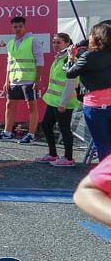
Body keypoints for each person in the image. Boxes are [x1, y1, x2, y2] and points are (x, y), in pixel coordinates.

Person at [0, 17, 42, 143]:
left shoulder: (33, 41)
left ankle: (31, 134)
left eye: (20, 26)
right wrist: (6, 80)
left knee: (32, 107)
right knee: (9, 105)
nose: (18, 29)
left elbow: (40, 61)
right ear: (12, 28)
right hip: (14, 80)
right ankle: (7, 132)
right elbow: (10, 63)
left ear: (24, 27)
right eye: (15, 27)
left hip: (29, 80)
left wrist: (37, 79)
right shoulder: (10, 43)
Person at [65, 22, 111, 161]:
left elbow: (70, 73)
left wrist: (71, 57)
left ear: (96, 38)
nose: (89, 37)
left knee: (102, 144)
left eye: (91, 34)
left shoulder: (88, 56)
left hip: (95, 105)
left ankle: (105, 178)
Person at [37, 33, 79, 167]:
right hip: (53, 100)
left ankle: (68, 158)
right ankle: (53, 154)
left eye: (58, 42)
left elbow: (71, 82)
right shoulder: (59, 58)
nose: (55, 45)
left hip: (63, 102)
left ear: (67, 44)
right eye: (54, 42)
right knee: (46, 125)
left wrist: (63, 103)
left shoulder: (70, 59)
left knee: (64, 128)